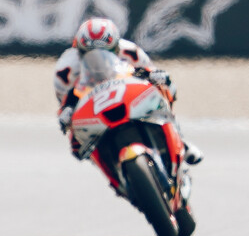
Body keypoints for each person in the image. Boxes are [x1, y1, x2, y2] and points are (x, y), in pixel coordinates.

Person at [53, 17, 203, 165]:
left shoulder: (131, 52)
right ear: (78, 50)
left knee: (163, 86)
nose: (97, 59)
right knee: (76, 146)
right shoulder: (66, 69)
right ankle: (108, 164)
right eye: (89, 53)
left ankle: (177, 137)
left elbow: (150, 72)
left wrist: (156, 76)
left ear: (116, 47)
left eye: (106, 51)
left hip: (127, 92)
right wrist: (67, 112)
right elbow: (65, 104)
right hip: (92, 105)